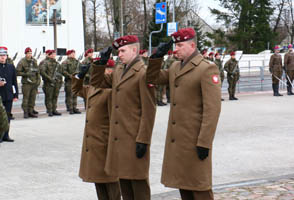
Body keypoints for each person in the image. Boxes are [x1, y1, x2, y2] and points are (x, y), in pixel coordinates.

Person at [147, 28, 221, 200]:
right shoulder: (174, 67)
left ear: (192, 45)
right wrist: (157, 56)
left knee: (200, 188)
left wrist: (204, 142)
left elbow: (212, 109)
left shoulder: (206, 69)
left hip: (195, 140)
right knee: (184, 187)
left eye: (180, 45)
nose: (176, 49)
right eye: (175, 45)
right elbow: (152, 78)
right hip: (177, 140)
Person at [93, 35, 156, 200]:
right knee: (125, 187)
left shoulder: (143, 72)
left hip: (134, 138)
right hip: (119, 139)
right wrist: (101, 62)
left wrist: (143, 140)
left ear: (134, 50)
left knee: (139, 187)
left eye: (122, 50)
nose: (119, 54)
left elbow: (149, 109)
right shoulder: (119, 70)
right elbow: (97, 82)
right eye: (118, 51)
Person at [72, 61, 120, 200]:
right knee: (97, 180)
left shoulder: (112, 91)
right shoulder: (93, 88)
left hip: (105, 142)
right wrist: (79, 76)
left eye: (106, 70)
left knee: (111, 182)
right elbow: (76, 90)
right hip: (93, 143)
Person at [0, 46, 18, 142]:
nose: (3, 57)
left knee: (7, 116)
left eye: (4, 55)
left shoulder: (11, 67)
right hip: (0, 96)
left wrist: (15, 95)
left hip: (8, 95)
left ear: (7, 56)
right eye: (1, 55)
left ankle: (6, 135)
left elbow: (14, 82)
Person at [16, 47, 41, 118]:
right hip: (26, 83)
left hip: (34, 83)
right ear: (25, 54)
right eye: (28, 53)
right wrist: (26, 74)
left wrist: (38, 80)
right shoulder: (22, 62)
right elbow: (17, 72)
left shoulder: (34, 61)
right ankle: (25, 112)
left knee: (33, 98)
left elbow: (38, 71)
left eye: (30, 53)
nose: (29, 54)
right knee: (26, 98)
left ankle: (31, 111)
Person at [40, 50, 63, 116]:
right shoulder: (45, 63)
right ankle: (49, 110)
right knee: (49, 97)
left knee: (55, 96)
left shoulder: (57, 63)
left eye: (54, 54)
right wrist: (49, 79)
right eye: (52, 54)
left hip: (56, 83)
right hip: (48, 83)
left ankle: (54, 109)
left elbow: (60, 73)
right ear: (49, 55)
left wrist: (60, 82)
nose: (54, 55)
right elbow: (42, 72)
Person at [62, 49, 81, 114]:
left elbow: (80, 69)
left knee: (75, 94)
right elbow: (63, 71)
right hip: (69, 81)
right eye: (72, 53)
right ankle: (70, 108)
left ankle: (74, 107)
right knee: (69, 95)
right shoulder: (65, 62)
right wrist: (70, 76)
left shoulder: (77, 62)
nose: (73, 54)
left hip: (76, 80)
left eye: (74, 53)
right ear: (68, 54)